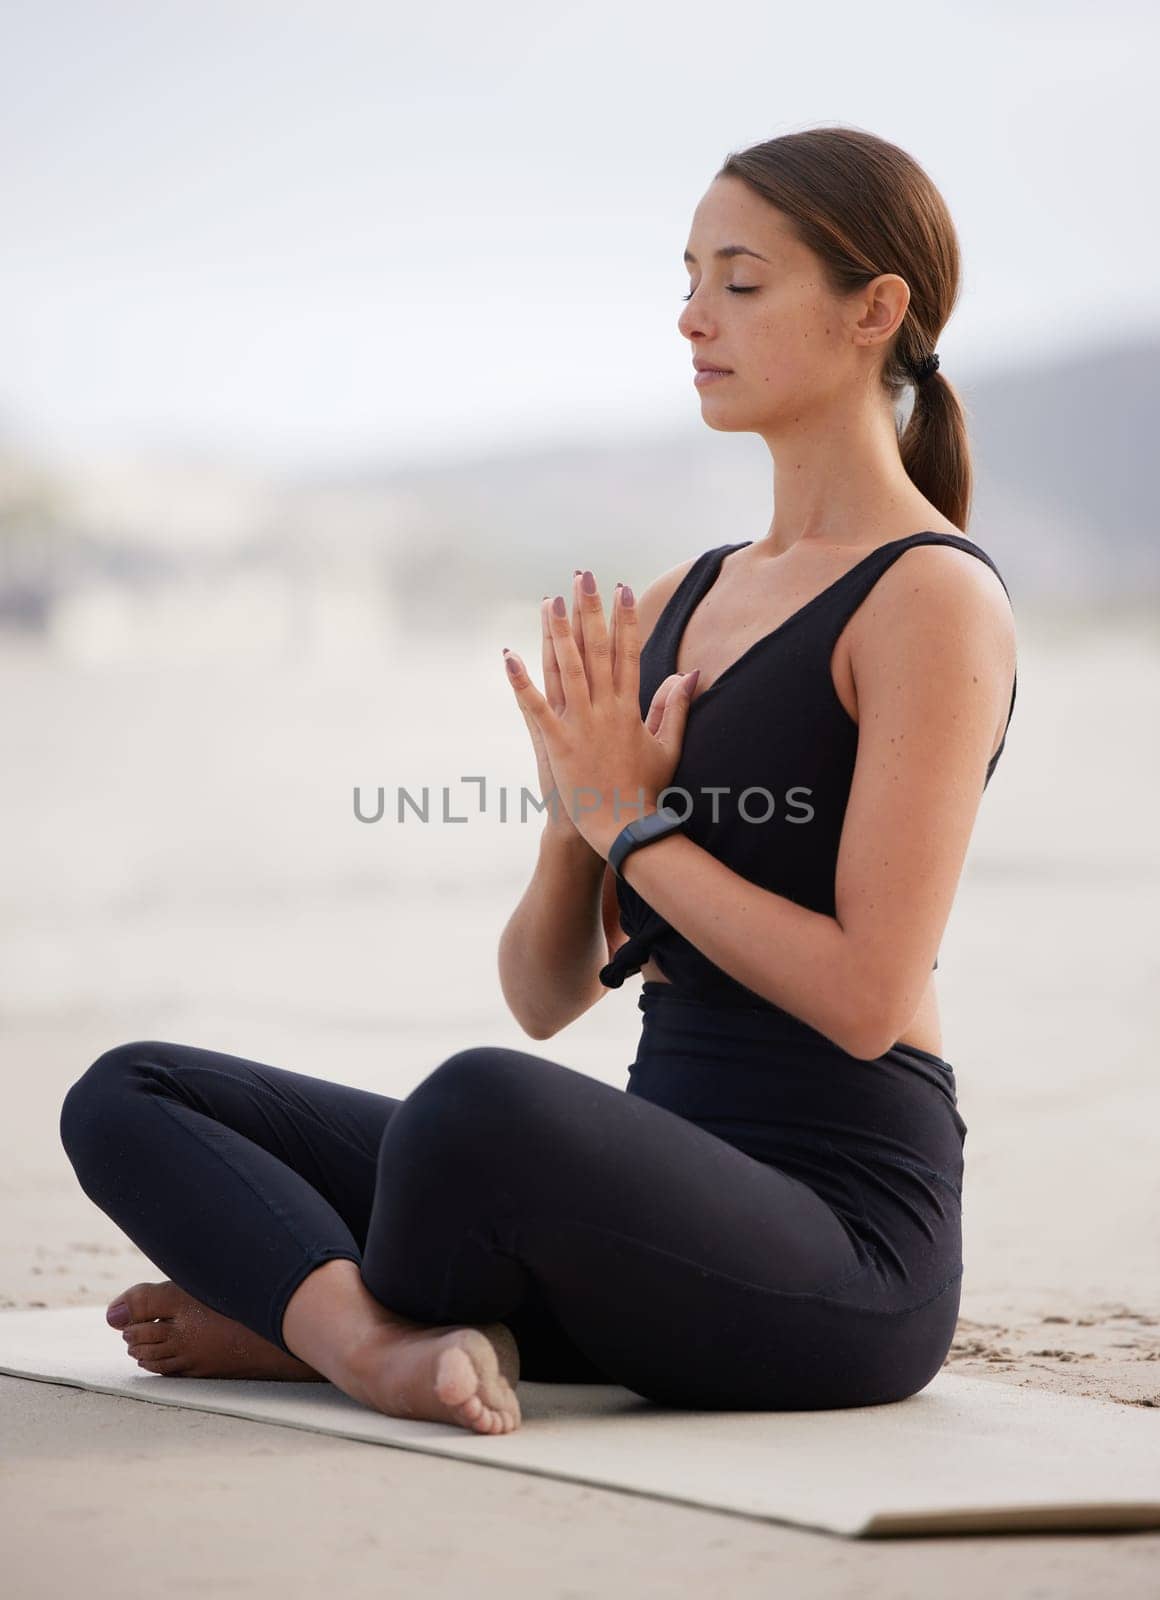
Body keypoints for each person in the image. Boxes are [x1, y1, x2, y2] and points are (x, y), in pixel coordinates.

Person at [59, 125, 1017, 1438]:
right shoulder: (688, 594)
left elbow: (867, 999)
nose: (692, 319)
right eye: (685, 279)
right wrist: (575, 806)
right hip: (647, 1203)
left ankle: (315, 1320)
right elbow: (544, 993)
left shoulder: (929, 600)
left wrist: (631, 823)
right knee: (133, 1091)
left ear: (876, 310)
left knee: (473, 1113)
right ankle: (370, 1345)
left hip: (843, 1257)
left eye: (740, 282)